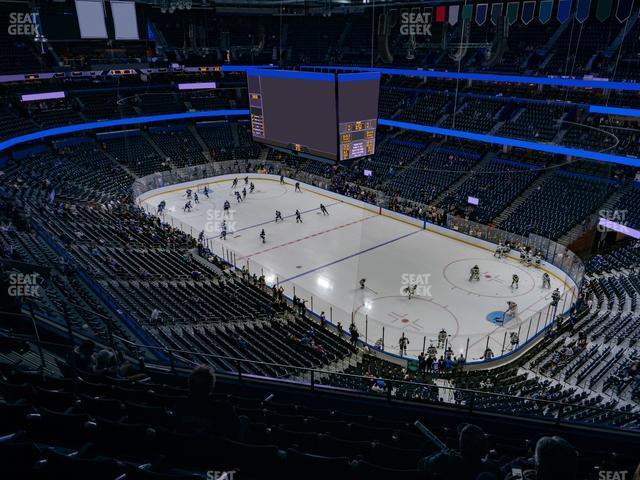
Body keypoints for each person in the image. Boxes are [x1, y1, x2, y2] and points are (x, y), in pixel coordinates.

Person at [174, 365, 245, 439]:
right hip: (212, 449)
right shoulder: (223, 407)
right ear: (211, 387)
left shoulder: (180, 402)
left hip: (183, 447)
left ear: (190, 385)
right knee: (244, 419)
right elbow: (235, 430)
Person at [418, 424, 499, 480]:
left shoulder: (446, 460)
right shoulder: (490, 467)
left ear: (461, 443)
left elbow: (422, 464)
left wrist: (441, 456)